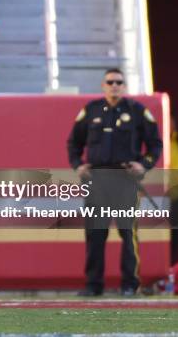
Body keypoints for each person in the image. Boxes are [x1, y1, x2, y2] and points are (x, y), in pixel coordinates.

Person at [67, 68, 164, 297]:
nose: (114, 86)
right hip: (97, 178)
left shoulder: (138, 111)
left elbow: (155, 144)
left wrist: (144, 164)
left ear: (125, 86)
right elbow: (74, 143)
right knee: (95, 234)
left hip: (125, 178)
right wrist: (77, 165)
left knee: (128, 234)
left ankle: (130, 284)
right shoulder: (90, 111)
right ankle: (93, 285)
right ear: (103, 85)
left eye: (119, 82)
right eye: (110, 82)